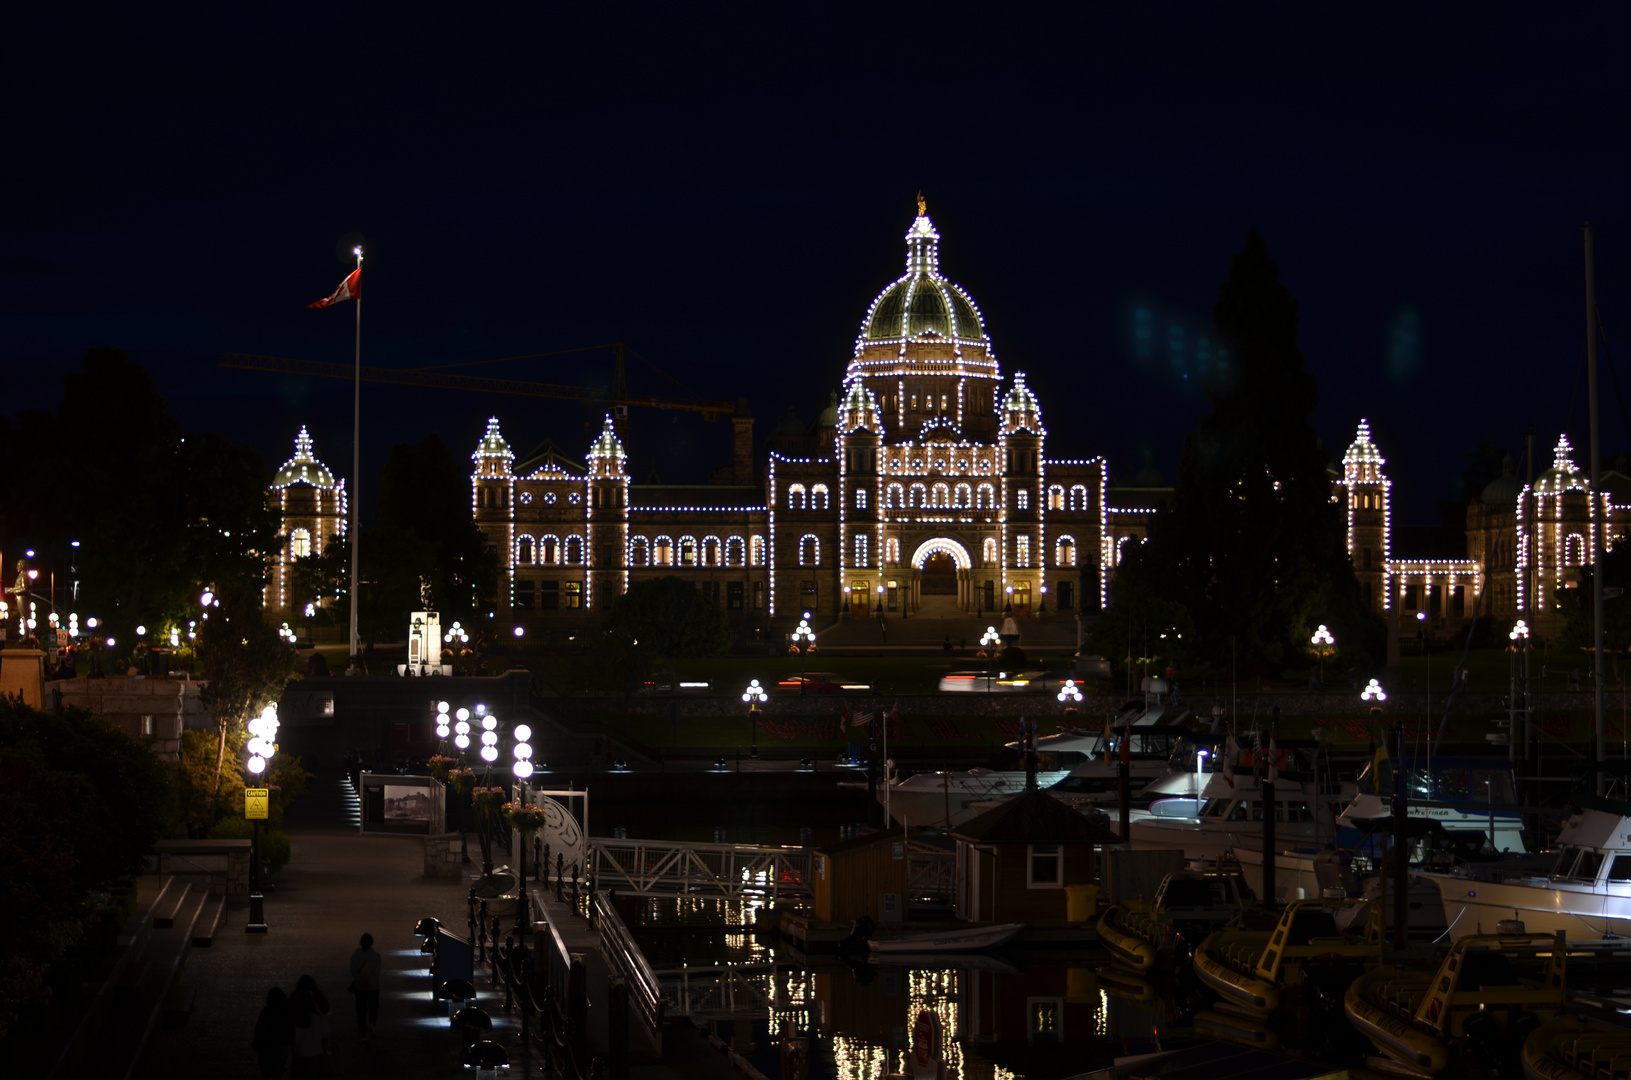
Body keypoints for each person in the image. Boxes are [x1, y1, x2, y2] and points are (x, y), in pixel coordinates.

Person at [251, 986, 292, 1080]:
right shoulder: (284, 1013)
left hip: (265, 1051)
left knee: (266, 1075)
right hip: (278, 1050)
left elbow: (258, 1030)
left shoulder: (265, 1012)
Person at [290, 989, 331, 1077]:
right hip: (315, 1053)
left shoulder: (294, 1017)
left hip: (299, 1053)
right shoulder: (317, 1017)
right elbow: (326, 1033)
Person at [349, 932, 382, 1039]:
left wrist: (361, 980)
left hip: (359, 987)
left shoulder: (355, 957)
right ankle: (372, 1024)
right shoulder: (376, 957)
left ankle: (362, 1030)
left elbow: (353, 972)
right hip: (373, 986)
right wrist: (368, 980)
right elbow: (377, 972)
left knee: (361, 1009)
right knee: (373, 1008)